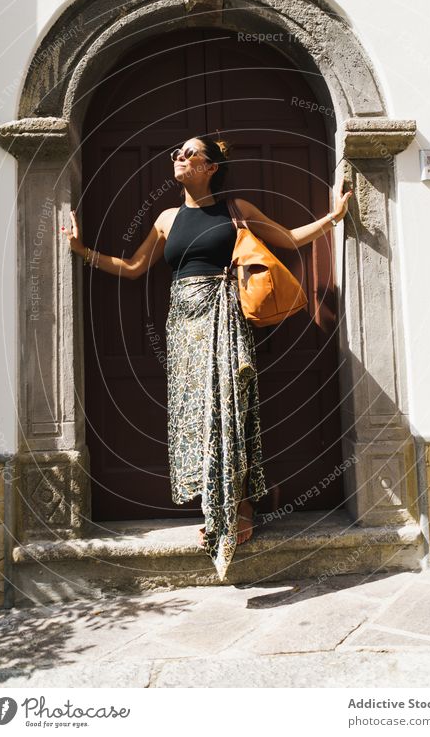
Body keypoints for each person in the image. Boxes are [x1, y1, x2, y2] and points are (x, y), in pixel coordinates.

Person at [61, 135, 352, 581]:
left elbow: (288, 240)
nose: (177, 156)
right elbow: (135, 267)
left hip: (226, 320)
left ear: (210, 167)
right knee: (198, 419)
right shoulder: (165, 219)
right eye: (175, 151)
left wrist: (333, 218)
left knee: (230, 409)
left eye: (188, 153)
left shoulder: (237, 209)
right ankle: (216, 509)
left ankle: (240, 507)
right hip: (184, 327)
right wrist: (82, 252)